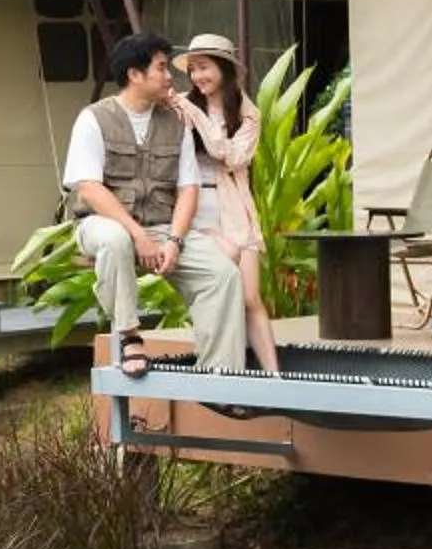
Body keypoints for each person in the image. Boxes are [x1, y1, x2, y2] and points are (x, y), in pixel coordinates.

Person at [62, 31, 247, 378]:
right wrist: (138, 235)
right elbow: (89, 188)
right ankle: (129, 336)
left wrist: (175, 240)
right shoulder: (93, 119)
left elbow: (188, 188)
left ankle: (221, 375)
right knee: (117, 239)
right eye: (162, 68)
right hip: (102, 224)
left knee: (221, 274)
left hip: (163, 226)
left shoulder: (176, 122)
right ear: (135, 75)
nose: (170, 77)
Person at [170, 32, 281, 375]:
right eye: (192, 69)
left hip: (234, 208)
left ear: (223, 68)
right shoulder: (180, 108)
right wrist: (186, 109)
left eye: (203, 67)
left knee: (250, 299)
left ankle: (275, 376)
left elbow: (230, 155)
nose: (197, 76)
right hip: (194, 207)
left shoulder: (248, 114)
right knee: (217, 292)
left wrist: (196, 114)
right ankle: (223, 370)